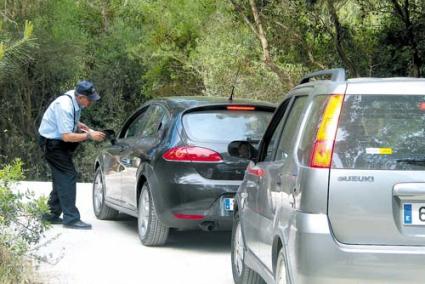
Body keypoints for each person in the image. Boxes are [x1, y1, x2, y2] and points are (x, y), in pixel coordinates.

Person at [38, 80, 106, 230]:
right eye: (89, 99)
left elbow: (66, 122)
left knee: (60, 176)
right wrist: (89, 135)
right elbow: (67, 136)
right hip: (52, 144)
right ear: (81, 96)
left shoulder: (73, 99)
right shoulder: (64, 105)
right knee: (68, 175)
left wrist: (78, 124)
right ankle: (71, 218)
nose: (91, 102)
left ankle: (51, 213)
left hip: (56, 142)